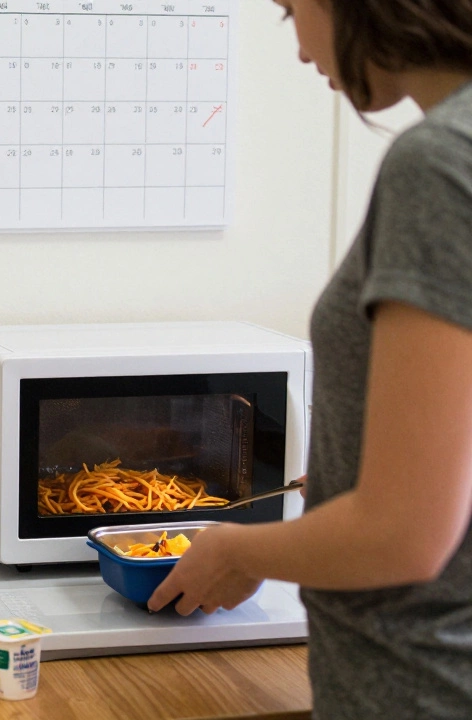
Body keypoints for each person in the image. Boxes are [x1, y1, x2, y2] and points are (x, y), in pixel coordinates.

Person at [148, 1, 472, 717]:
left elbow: (404, 536)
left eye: (291, 10)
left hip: (420, 682)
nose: (297, 47)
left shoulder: (440, 164)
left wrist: (237, 550)